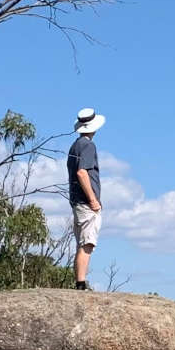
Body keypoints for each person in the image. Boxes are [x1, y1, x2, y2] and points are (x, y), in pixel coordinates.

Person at [67, 107, 105, 290]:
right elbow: (82, 173)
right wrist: (93, 200)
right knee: (88, 242)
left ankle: (80, 281)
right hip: (85, 201)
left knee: (82, 242)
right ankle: (81, 284)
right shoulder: (88, 146)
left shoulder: (75, 145)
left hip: (76, 200)